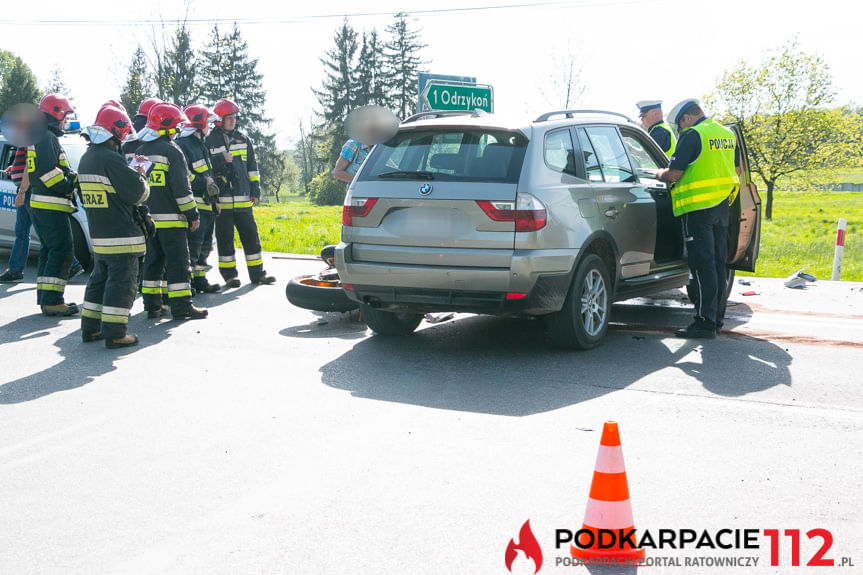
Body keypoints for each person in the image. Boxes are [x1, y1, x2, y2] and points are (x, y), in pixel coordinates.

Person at [654, 98, 739, 339]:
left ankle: (704, 322)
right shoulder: (726, 133)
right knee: (718, 265)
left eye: (680, 125)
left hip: (698, 209)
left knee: (702, 267)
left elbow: (674, 174)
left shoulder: (693, 135)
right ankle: (716, 319)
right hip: (722, 207)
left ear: (687, 118)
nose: (681, 130)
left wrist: (659, 173)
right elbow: (736, 170)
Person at [77, 105, 150, 348]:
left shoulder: (87, 158)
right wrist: (140, 173)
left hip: (100, 235)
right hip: (122, 236)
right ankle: (116, 334)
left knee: (98, 281)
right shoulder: (111, 159)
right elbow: (136, 194)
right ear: (116, 132)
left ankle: (91, 329)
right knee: (122, 284)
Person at [137, 102, 208, 320]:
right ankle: (181, 307)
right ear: (167, 128)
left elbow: (135, 185)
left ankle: (152, 305)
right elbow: (182, 189)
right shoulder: (172, 151)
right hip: (172, 222)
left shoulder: (140, 151)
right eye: (176, 126)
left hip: (149, 222)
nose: (178, 130)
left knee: (153, 263)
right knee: (178, 264)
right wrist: (193, 215)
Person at [205, 98, 274, 288]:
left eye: (235, 117)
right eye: (229, 117)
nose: (233, 120)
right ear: (219, 120)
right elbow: (206, 168)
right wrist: (220, 159)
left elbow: (252, 167)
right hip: (223, 201)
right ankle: (229, 276)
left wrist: (255, 190)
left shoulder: (243, 139)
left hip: (244, 199)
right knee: (225, 241)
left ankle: (258, 274)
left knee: (252, 238)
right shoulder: (209, 141)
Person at [27, 93, 80, 316]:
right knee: (62, 251)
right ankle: (53, 300)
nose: (65, 120)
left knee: (50, 251)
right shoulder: (47, 137)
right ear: (56, 113)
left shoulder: (40, 135)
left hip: (42, 204)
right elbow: (48, 173)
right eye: (65, 115)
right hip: (51, 205)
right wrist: (69, 184)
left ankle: (46, 298)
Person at [176, 104, 220, 294]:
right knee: (192, 248)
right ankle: (190, 282)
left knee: (205, 246)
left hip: (207, 205)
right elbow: (184, 177)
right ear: (199, 124)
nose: (209, 126)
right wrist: (204, 181)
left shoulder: (200, 144)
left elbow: (207, 173)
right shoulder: (183, 145)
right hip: (194, 206)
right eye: (207, 122)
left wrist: (215, 200)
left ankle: (200, 279)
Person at [0, 147, 32, 282]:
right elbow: (26, 164)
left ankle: (72, 264)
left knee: (44, 232)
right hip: (26, 190)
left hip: (28, 191)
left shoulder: (32, 138)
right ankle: (15, 271)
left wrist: (22, 192)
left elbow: (31, 167)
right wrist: (14, 168)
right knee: (22, 232)